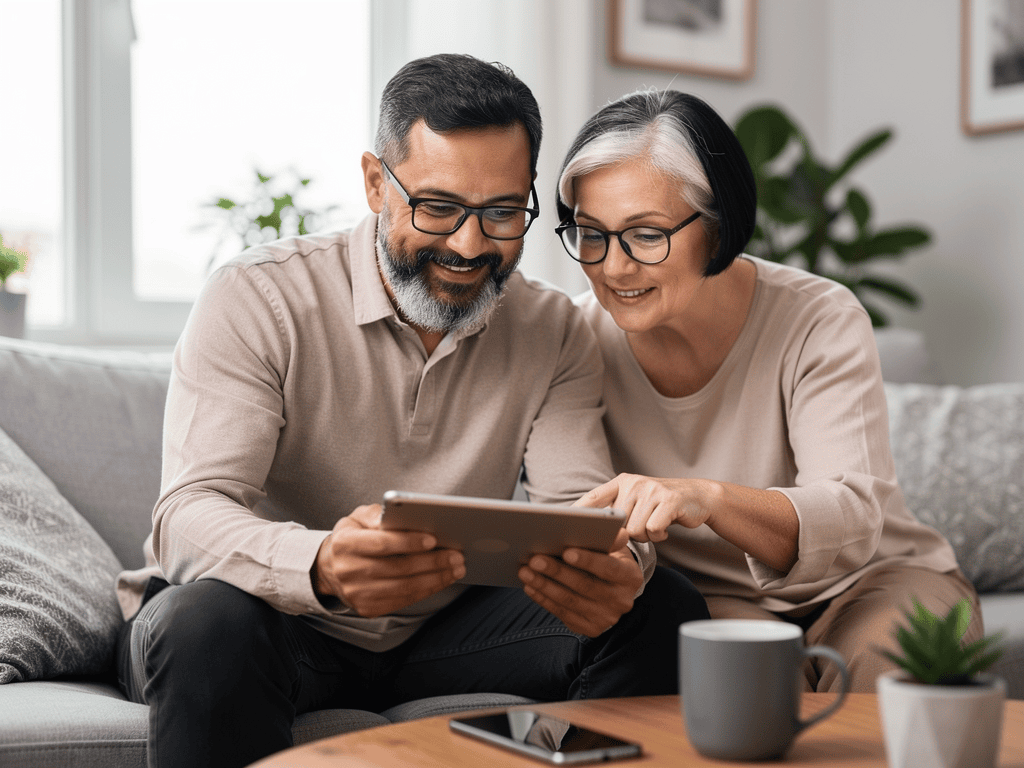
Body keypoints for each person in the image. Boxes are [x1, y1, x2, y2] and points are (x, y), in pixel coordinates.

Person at [113, 56, 708, 768]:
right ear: (375, 183)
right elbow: (188, 512)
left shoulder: (553, 329)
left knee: (660, 606)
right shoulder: (258, 299)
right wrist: (324, 564)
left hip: (442, 633)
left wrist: (616, 567)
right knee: (205, 622)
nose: (468, 245)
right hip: (267, 621)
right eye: (438, 207)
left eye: (502, 213)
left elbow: (574, 509)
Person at [553, 89, 981, 693]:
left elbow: (853, 514)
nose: (613, 268)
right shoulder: (572, 340)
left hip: (874, 580)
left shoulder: (819, 318)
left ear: (718, 224)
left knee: (884, 688)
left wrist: (709, 498)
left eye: (645, 235)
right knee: (745, 701)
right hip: (719, 601)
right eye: (591, 234)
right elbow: (590, 522)